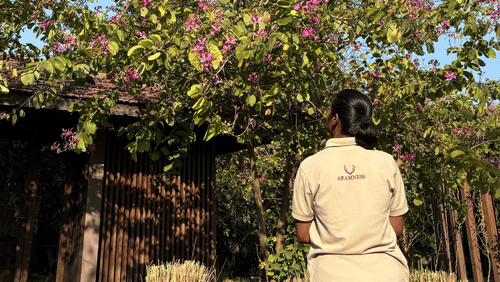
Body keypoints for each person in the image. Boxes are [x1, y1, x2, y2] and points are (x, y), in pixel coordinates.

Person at [292, 89, 409, 281]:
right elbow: (396, 229)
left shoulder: (310, 167)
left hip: (331, 274)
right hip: (386, 273)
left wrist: (337, 238)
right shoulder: (387, 162)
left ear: (335, 118)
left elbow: (303, 234)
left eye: (328, 111)